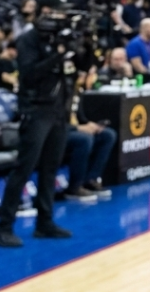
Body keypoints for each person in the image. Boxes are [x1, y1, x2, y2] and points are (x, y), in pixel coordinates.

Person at [0, 0, 79, 247]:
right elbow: (29, 74)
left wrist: (79, 48)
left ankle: (45, 222)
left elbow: (76, 68)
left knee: (50, 168)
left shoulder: (58, 38)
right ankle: (3, 228)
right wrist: (58, 56)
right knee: (25, 168)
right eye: (58, 10)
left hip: (57, 110)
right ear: (45, 11)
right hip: (36, 110)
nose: (63, 16)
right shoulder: (27, 39)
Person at [63, 68, 116, 200]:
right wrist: (78, 128)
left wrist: (92, 125)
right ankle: (74, 186)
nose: (94, 78)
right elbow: (55, 122)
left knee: (108, 135)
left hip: (74, 128)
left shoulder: (78, 91)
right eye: (91, 75)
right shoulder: (63, 92)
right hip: (59, 132)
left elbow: (79, 116)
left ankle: (91, 179)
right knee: (85, 140)